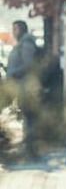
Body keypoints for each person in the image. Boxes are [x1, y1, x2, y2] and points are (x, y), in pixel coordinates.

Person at [6, 20, 40, 154]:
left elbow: (28, 65)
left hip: (27, 87)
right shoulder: (21, 44)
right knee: (26, 116)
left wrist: (14, 73)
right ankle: (29, 146)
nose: (13, 32)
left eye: (15, 29)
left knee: (29, 116)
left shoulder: (26, 44)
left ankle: (31, 148)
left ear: (21, 30)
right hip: (22, 86)